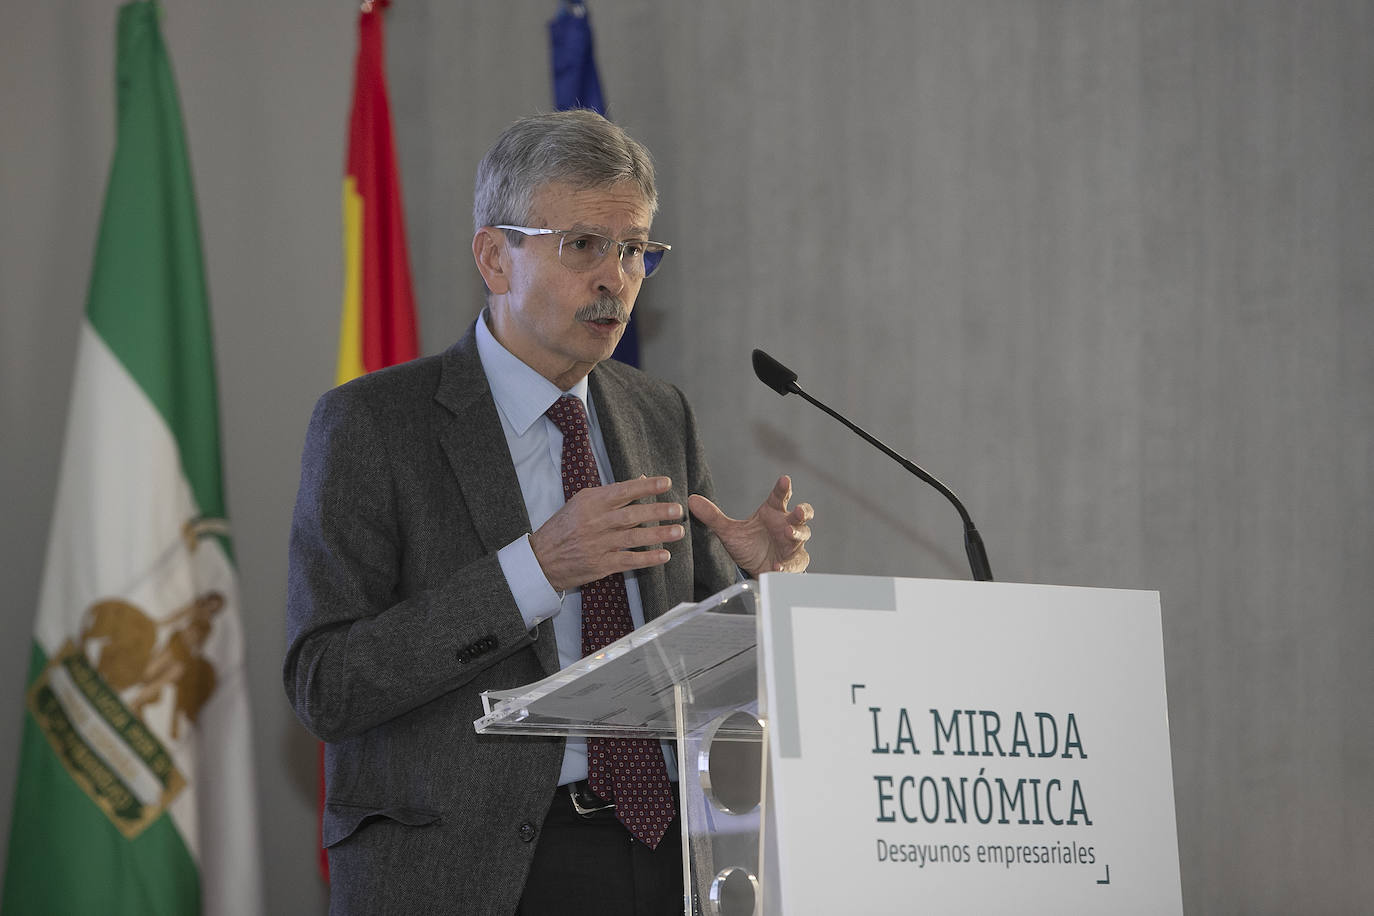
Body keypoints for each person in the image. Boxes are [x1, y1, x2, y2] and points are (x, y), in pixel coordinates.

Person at [284, 109, 813, 916]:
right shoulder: (374, 425)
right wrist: (534, 570)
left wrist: (757, 590)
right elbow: (327, 685)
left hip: (665, 853)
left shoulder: (659, 413)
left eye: (634, 250)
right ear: (495, 257)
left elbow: (697, 667)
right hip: (473, 872)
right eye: (584, 245)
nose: (616, 278)